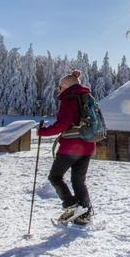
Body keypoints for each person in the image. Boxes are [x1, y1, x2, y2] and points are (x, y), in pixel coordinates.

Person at [38, 69, 97, 225]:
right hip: (88, 145)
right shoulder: (85, 97)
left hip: (71, 147)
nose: (59, 90)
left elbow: (62, 124)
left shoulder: (69, 99)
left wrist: (42, 131)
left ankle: (72, 205)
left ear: (65, 86)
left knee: (55, 176)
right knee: (79, 181)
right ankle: (84, 214)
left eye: (60, 87)